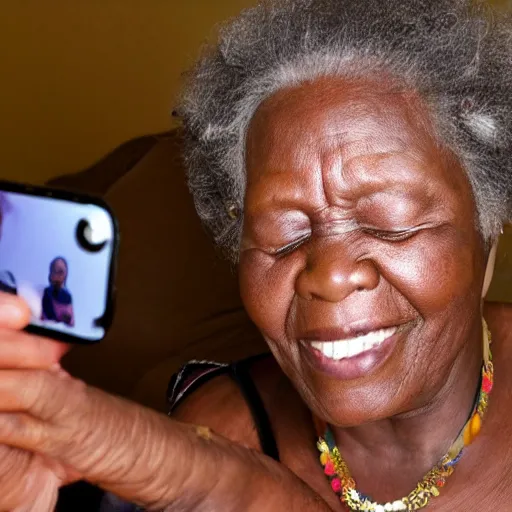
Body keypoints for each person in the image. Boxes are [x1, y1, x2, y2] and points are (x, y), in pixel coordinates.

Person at [0, 0, 511, 510]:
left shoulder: (194, 461)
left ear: (488, 232)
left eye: (389, 224)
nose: (329, 276)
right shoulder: (220, 428)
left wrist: (203, 476)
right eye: (283, 236)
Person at [41, 257, 75, 327]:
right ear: (51, 275)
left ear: (65, 275)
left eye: (61, 271)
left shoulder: (68, 297)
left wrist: (67, 320)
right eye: (55, 271)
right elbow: (49, 317)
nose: (58, 275)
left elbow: (71, 322)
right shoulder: (47, 292)